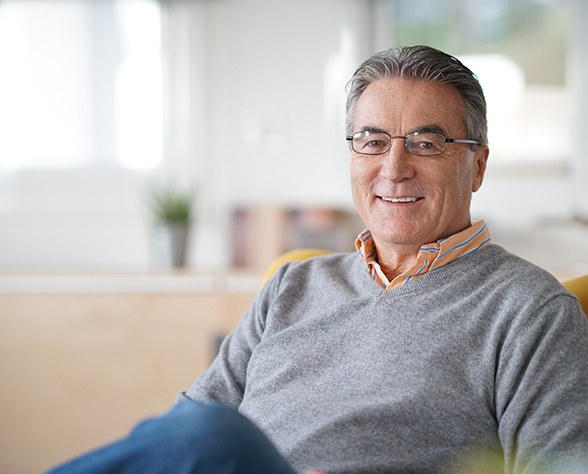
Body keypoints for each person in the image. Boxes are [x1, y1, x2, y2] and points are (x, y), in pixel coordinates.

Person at [47, 45, 587, 474]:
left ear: (477, 166)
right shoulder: (291, 285)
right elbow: (182, 432)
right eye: (372, 142)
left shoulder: (532, 311)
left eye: (425, 143)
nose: (394, 168)